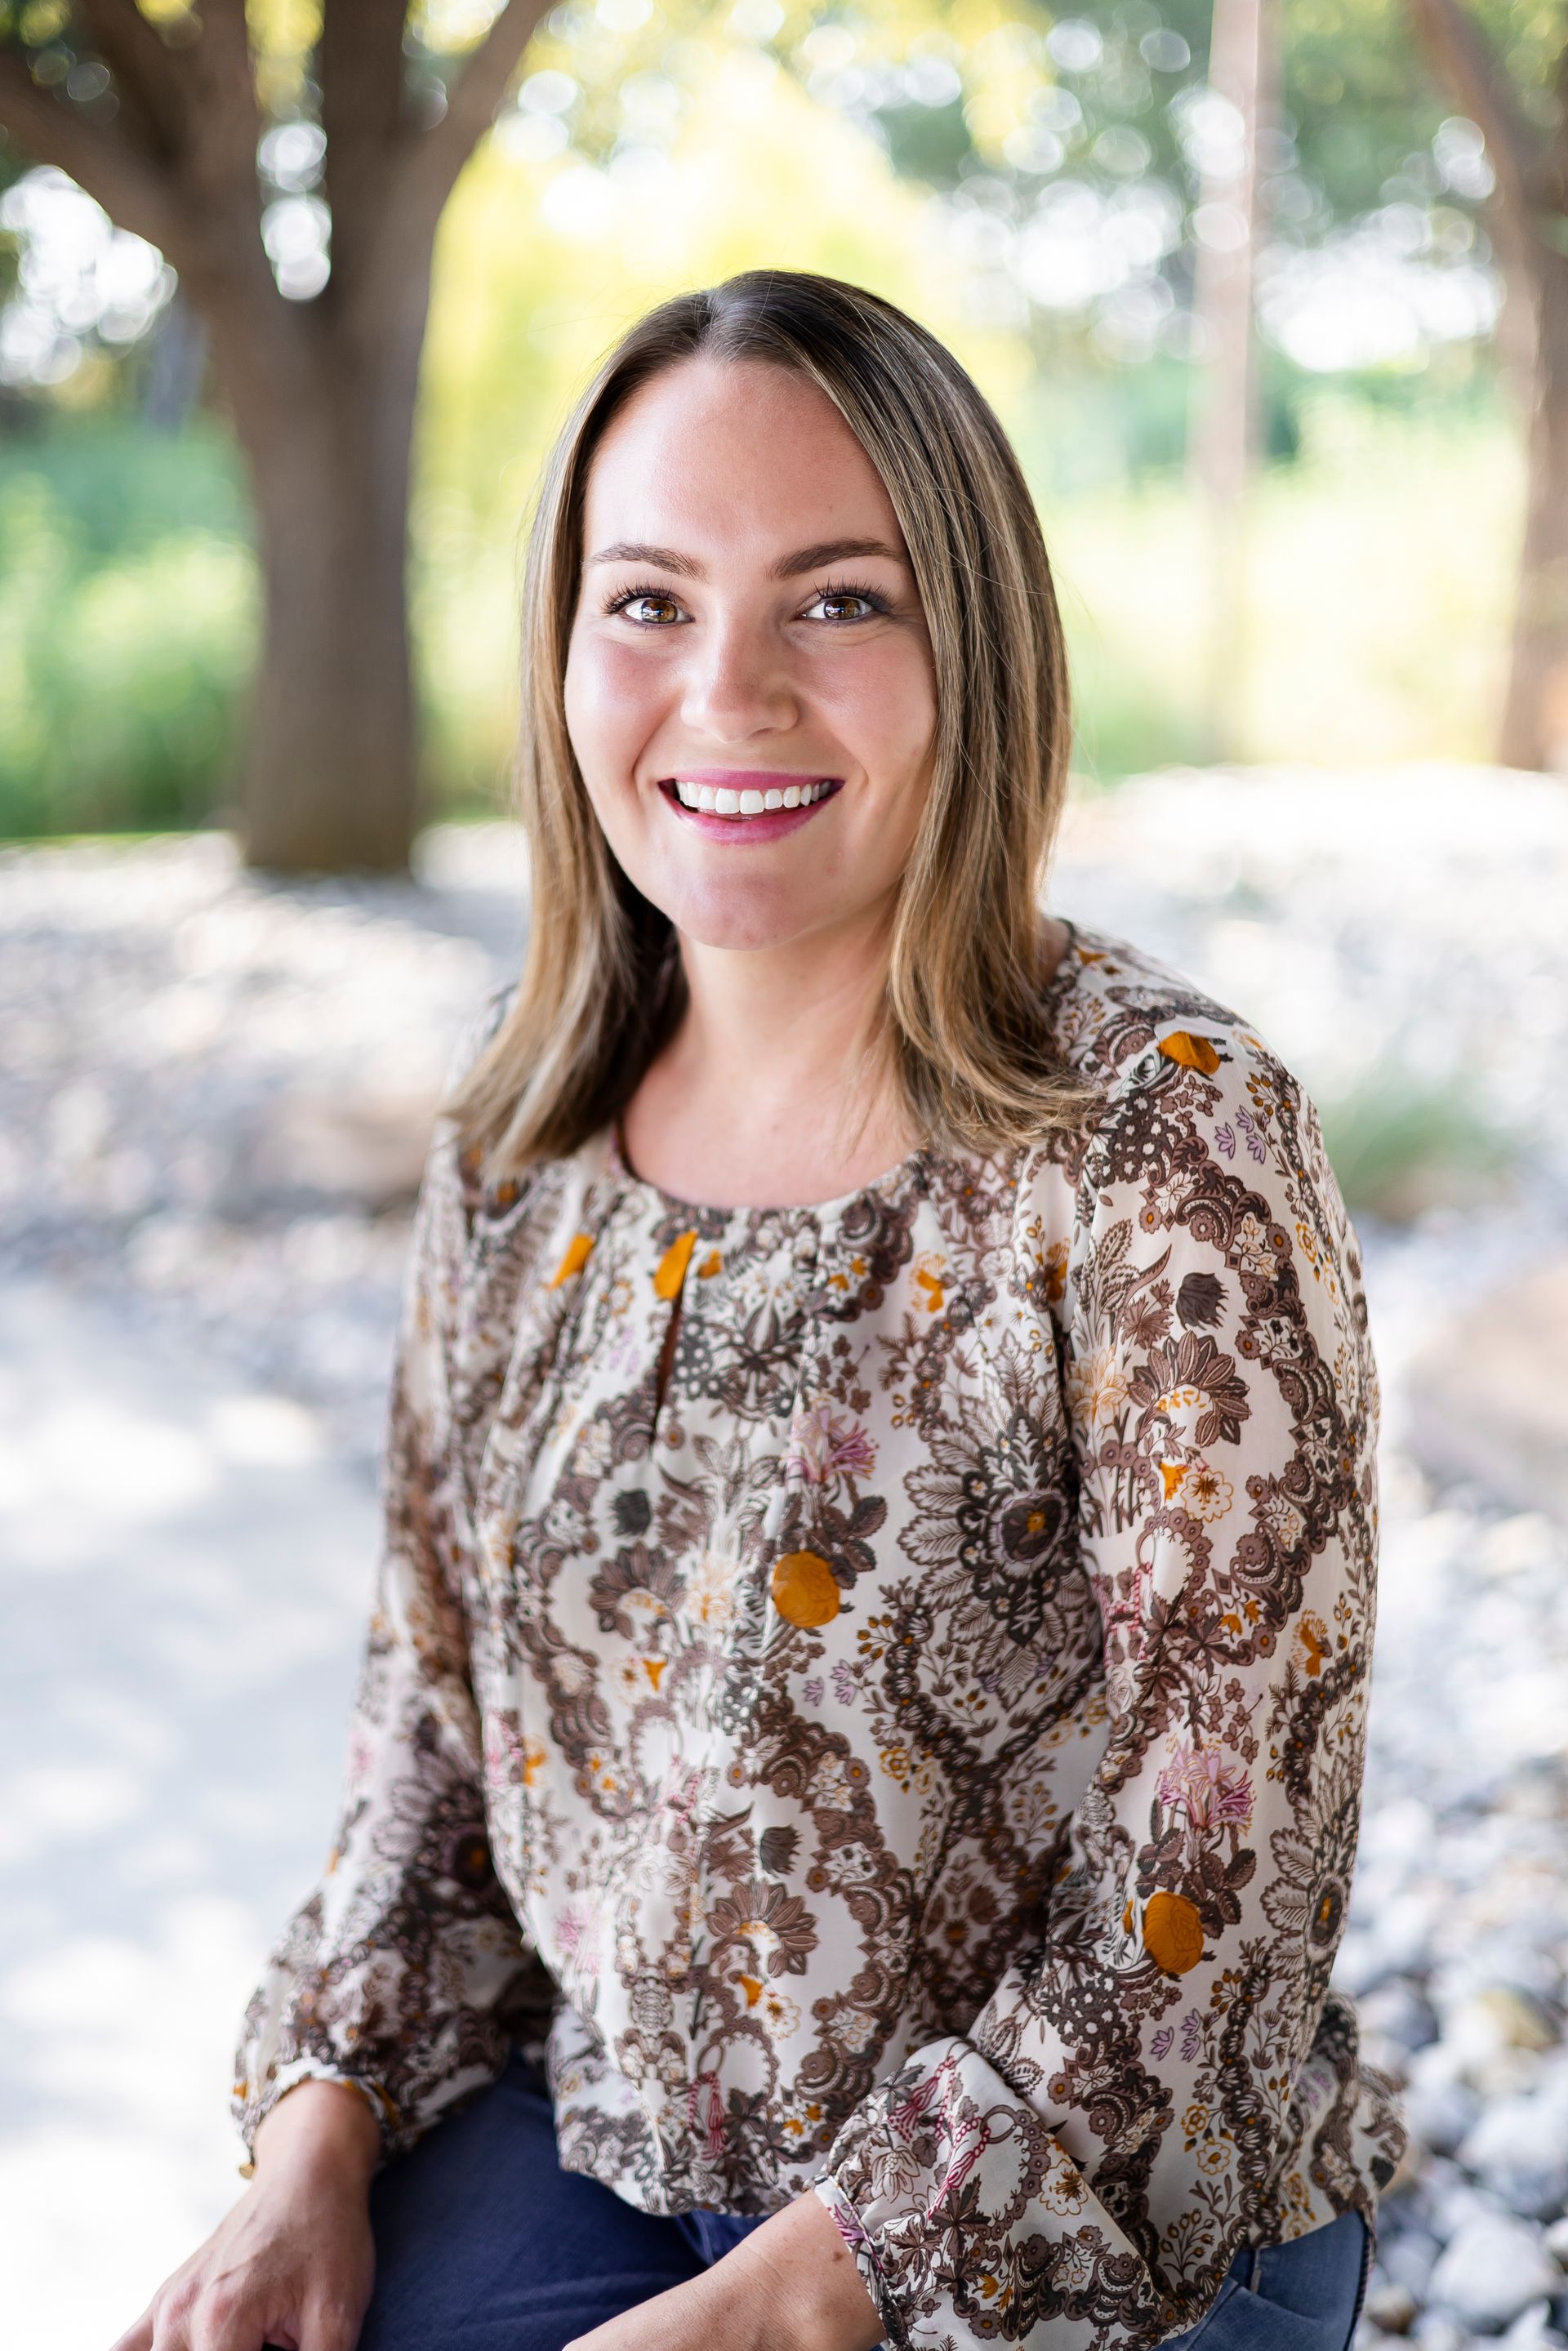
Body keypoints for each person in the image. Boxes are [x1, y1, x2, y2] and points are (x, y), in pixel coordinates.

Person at [114, 269, 1405, 2351]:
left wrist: (789, 2306)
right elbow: (431, 1756)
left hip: (1085, 2212)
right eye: (646, 603)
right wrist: (313, 2141)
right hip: (612, 2144)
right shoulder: (517, 1153)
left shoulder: (1163, 1141)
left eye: (837, 600)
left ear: (975, 648)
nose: (728, 692)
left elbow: (1212, 1894)